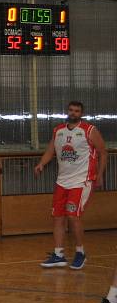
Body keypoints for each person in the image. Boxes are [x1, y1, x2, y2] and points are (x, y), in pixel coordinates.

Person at [34, 101, 106, 270]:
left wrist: (100, 174)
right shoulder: (58, 130)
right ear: (67, 111)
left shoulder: (89, 130)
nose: (73, 113)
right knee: (58, 217)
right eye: (71, 110)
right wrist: (41, 164)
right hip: (62, 181)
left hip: (82, 181)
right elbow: (50, 151)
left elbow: (103, 151)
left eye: (77, 111)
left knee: (73, 216)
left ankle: (81, 252)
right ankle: (59, 254)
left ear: (81, 113)